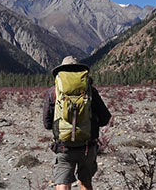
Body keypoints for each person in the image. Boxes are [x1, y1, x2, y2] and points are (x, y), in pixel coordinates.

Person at [43, 56, 111, 190]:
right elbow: (105, 118)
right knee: (85, 182)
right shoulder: (91, 91)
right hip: (87, 146)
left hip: (64, 147)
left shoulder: (53, 92)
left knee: (62, 182)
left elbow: (47, 123)